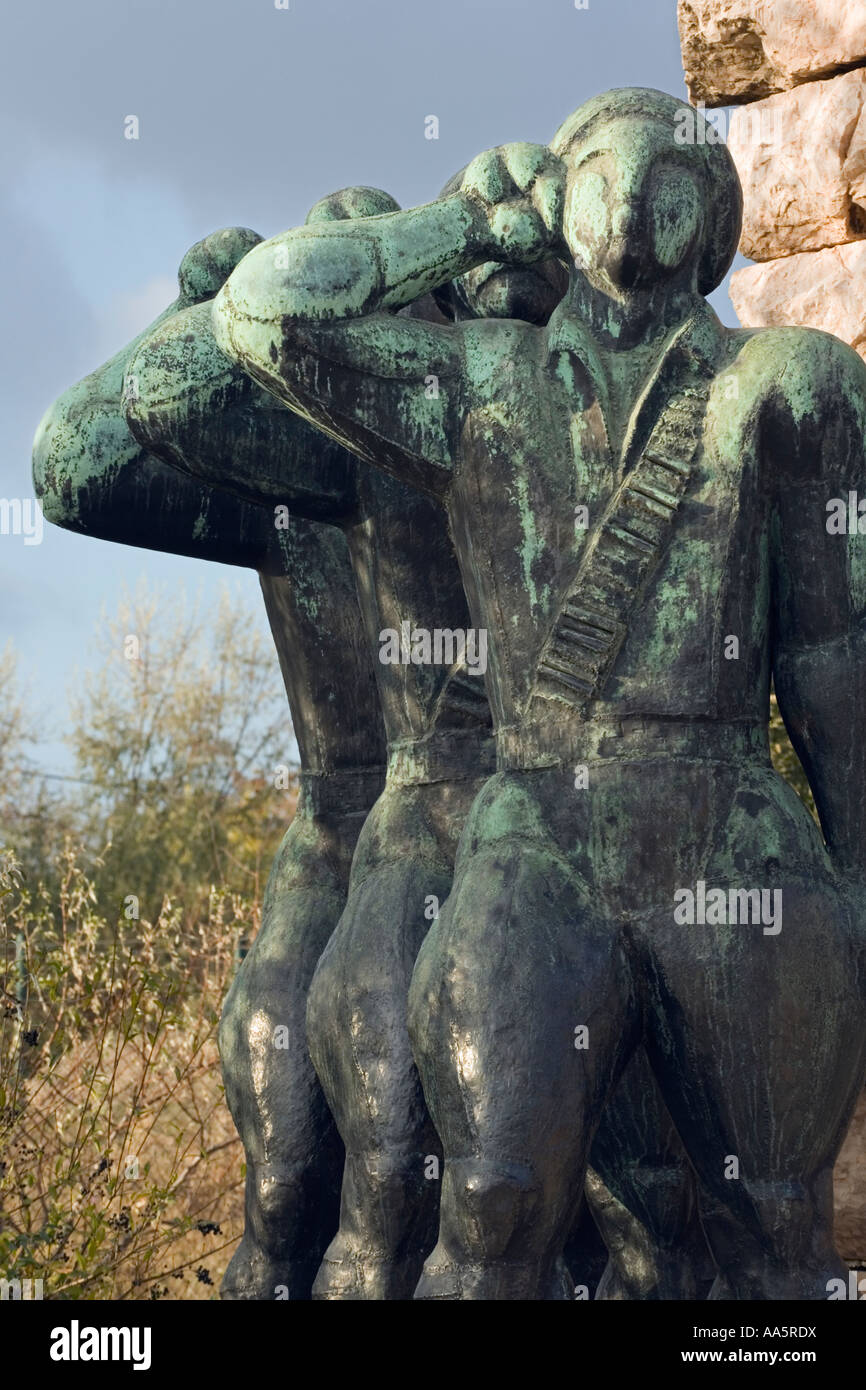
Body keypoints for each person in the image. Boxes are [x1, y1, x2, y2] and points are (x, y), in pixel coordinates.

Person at [210, 88, 866, 1300]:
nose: (634, 210)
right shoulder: (479, 382)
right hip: (537, 827)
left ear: (714, 222)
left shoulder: (787, 382)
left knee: (771, 1233)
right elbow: (263, 316)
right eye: (602, 179)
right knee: (492, 1196)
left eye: (673, 183)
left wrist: (857, 869)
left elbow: (833, 659)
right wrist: (458, 225)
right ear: (558, 206)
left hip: (723, 819)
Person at [32, 228, 387, 1299]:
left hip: (465, 828)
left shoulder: (493, 443)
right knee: (280, 1181)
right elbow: (71, 472)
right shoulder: (292, 484)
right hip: (333, 840)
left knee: (421, 1188)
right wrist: (196, 313)